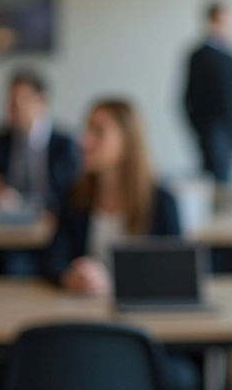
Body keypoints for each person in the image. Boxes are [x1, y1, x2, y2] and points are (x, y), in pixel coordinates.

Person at [42, 99, 198, 390]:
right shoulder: (74, 197)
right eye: (86, 129)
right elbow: (53, 259)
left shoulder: (162, 202)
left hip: (148, 335)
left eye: (98, 131)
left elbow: (176, 276)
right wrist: (70, 276)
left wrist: (114, 285)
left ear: (127, 141)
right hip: (83, 326)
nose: (84, 140)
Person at [0, 67, 79, 274]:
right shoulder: (1, 140)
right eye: (10, 102)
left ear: (42, 102)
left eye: (20, 101)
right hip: (8, 229)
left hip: (49, 231)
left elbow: (72, 192)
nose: (13, 109)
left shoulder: (65, 145)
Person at [183, 1, 232, 184]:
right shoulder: (199, 56)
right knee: (215, 181)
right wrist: (199, 128)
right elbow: (187, 97)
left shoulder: (230, 56)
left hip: (227, 131)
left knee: (224, 181)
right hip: (211, 130)